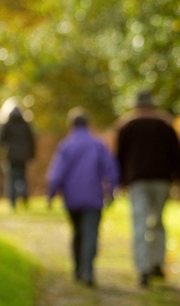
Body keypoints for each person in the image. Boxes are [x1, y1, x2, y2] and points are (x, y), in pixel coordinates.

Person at [116, 90, 180, 287]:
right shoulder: (165, 124)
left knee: (140, 222)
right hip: (162, 180)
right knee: (157, 221)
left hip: (137, 181)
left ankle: (143, 268)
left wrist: (120, 182)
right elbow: (177, 154)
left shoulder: (126, 126)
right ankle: (156, 263)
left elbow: (119, 157)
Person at [47, 107, 119, 287]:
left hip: (72, 199)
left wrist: (51, 194)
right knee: (91, 234)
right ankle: (88, 270)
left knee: (77, 233)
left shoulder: (66, 145)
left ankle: (78, 269)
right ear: (88, 123)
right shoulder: (98, 144)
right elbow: (111, 169)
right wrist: (111, 190)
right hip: (93, 198)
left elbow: (57, 173)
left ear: (70, 125)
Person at [0, 106, 35, 209]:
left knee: (11, 179)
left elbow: (1, 139)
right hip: (24, 156)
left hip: (11, 156)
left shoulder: (7, 124)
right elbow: (31, 141)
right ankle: (24, 197)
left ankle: (12, 203)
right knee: (22, 177)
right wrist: (31, 155)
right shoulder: (25, 125)